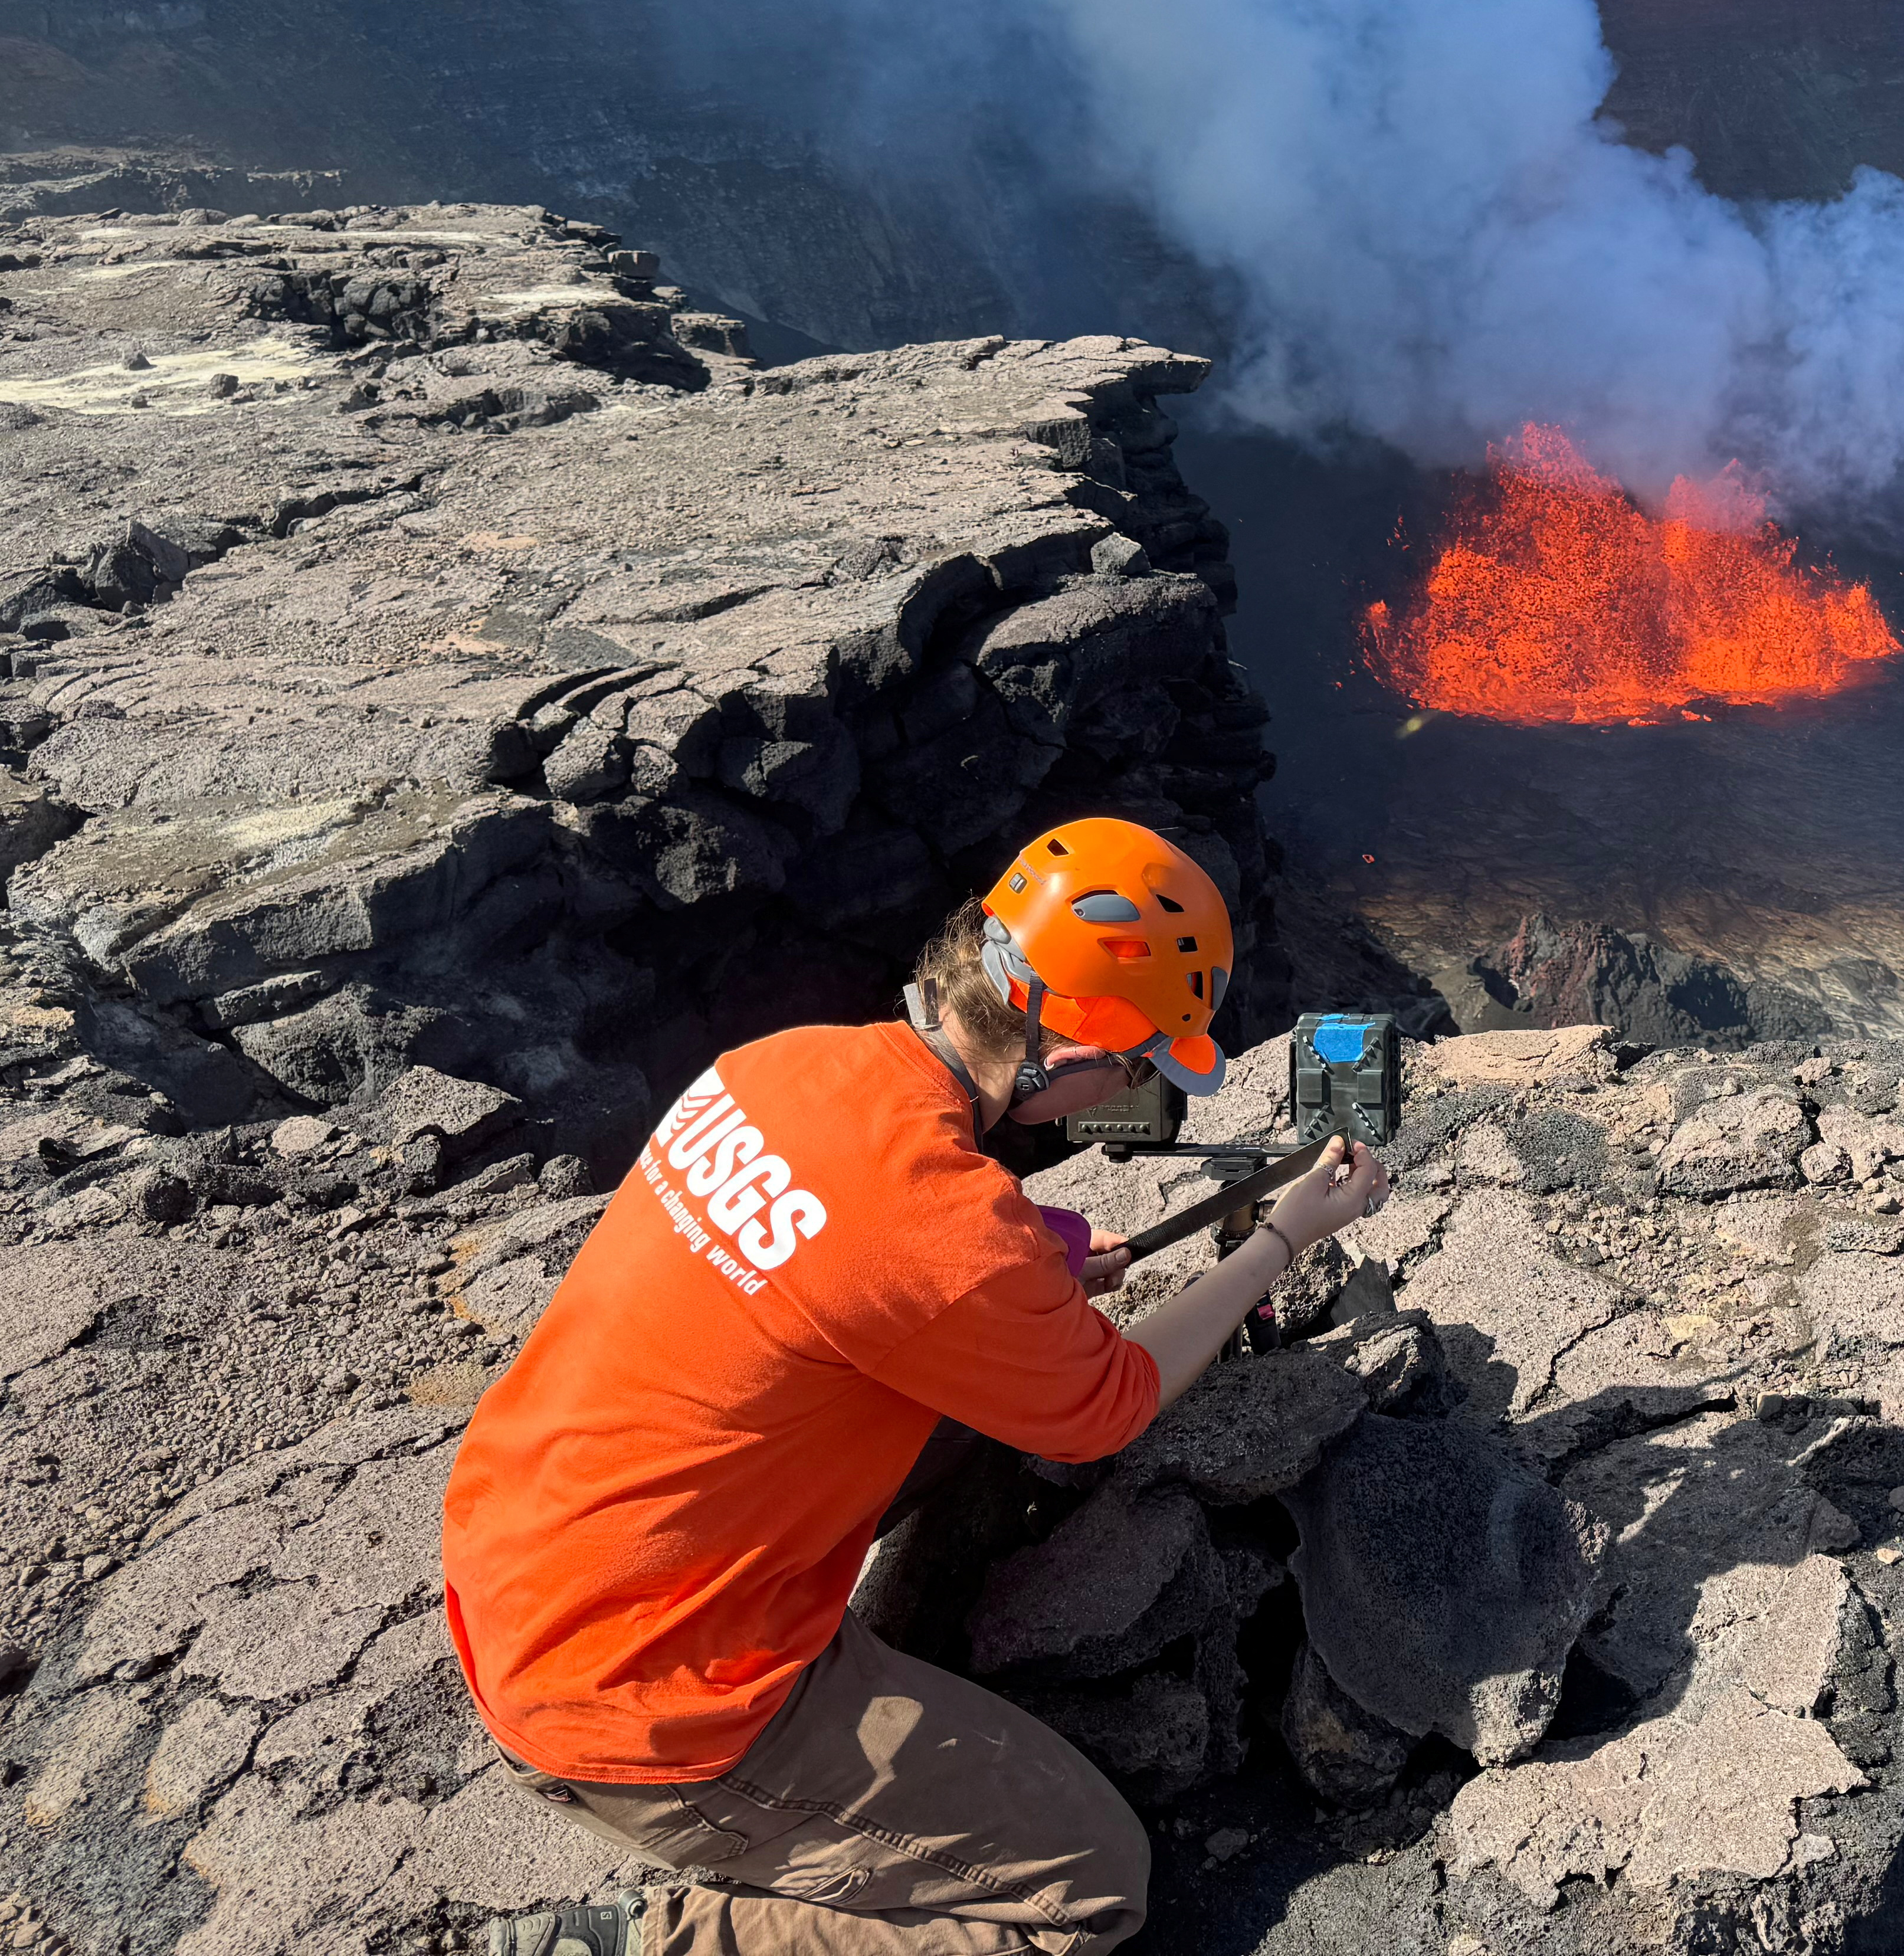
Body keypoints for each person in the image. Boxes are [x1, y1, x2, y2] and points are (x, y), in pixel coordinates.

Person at [444, 817, 1390, 1956]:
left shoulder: (778, 1065)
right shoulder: (952, 1241)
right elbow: (1116, 1403)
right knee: (1092, 1890)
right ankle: (665, 1940)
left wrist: (1026, 1261)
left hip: (521, 1574)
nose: (1133, 1085)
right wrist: (1282, 1237)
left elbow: (850, 1247)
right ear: (1067, 1046)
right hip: (651, 1701)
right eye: (1139, 1061)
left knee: (963, 1408)